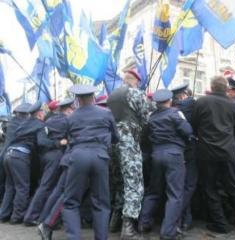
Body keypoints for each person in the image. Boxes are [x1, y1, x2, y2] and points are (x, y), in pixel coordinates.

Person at [191, 76, 235, 236]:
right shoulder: (233, 105)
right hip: (228, 152)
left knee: (210, 189)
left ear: (211, 86)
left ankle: (220, 224)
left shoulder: (201, 102)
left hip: (206, 153)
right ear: (226, 88)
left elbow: (193, 126)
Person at [62, 84, 119, 240]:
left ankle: (73, 237)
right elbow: (116, 138)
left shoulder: (71, 117)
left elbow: (68, 138)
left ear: (77, 99)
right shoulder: (106, 114)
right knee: (101, 203)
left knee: (71, 202)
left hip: (78, 156)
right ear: (93, 97)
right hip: (100, 157)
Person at [139, 89, 193, 239]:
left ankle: (144, 223)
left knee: (154, 191)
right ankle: (168, 231)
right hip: (174, 155)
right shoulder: (175, 114)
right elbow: (188, 131)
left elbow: (145, 137)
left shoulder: (151, 117)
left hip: (156, 155)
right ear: (169, 100)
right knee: (175, 194)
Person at [107, 69, 150, 239]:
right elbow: (146, 119)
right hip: (129, 143)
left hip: (113, 144)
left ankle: (114, 222)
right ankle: (128, 229)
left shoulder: (111, 97)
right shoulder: (136, 93)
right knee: (134, 183)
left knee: (119, 183)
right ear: (135, 81)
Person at [23, 98, 73, 225]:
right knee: (47, 186)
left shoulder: (49, 120)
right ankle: (33, 217)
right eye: (72, 109)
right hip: (56, 155)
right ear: (68, 110)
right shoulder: (68, 120)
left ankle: (39, 216)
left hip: (46, 156)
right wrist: (60, 143)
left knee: (46, 186)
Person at [171, 83, 198, 231]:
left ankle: (184, 219)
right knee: (190, 184)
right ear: (183, 95)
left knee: (179, 186)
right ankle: (178, 216)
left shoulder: (170, 109)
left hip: (176, 151)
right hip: (190, 150)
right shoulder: (191, 105)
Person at [0, 103, 31, 220]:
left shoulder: (12, 123)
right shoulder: (26, 124)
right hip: (19, 157)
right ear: (27, 114)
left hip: (7, 156)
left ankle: (3, 214)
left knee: (10, 187)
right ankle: (17, 216)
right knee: (22, 187)